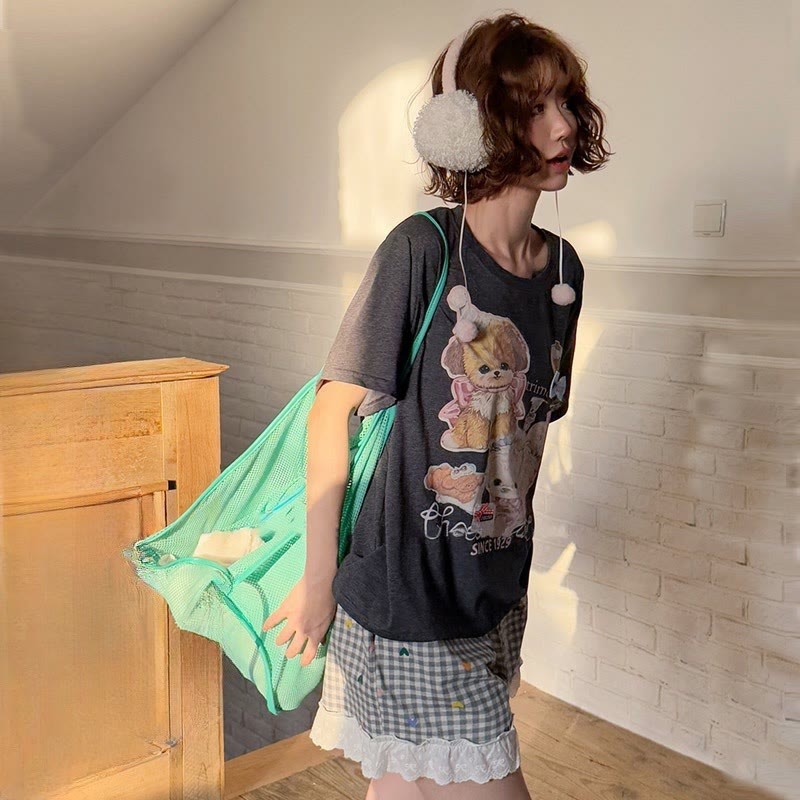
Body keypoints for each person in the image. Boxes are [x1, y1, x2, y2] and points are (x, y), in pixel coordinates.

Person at [263, 11, 611, 799]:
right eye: (533, 106)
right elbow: (330, 411)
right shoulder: (421, 249)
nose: (562, 126)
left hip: (494, 583)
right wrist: (318, 581)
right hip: (408, 592)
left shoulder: (563, 271)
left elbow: (528, 430)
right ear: (475, 126)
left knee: (407, 783)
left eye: (566, 101)